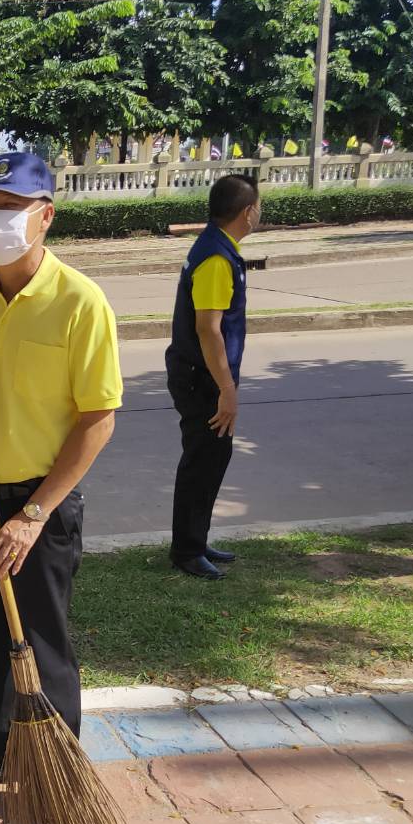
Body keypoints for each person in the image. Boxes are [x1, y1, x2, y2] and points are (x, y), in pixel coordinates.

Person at [0, 152, 123, 818]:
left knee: (40, 644)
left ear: (44, 216)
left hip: (36, 505)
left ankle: (51, 782)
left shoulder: (80, 302)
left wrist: (34, 515)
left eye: (9, 208)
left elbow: (97, 420)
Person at [165, 174, 261, 579]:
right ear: (248, 212)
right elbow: (209, 329)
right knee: (202, 460)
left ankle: (196, 539)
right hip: (201, 378)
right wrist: (227, 390)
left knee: (211, 457)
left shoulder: (217, 247)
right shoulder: (217, 258)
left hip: (201, 374)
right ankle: (187, 551)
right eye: (258, 206)